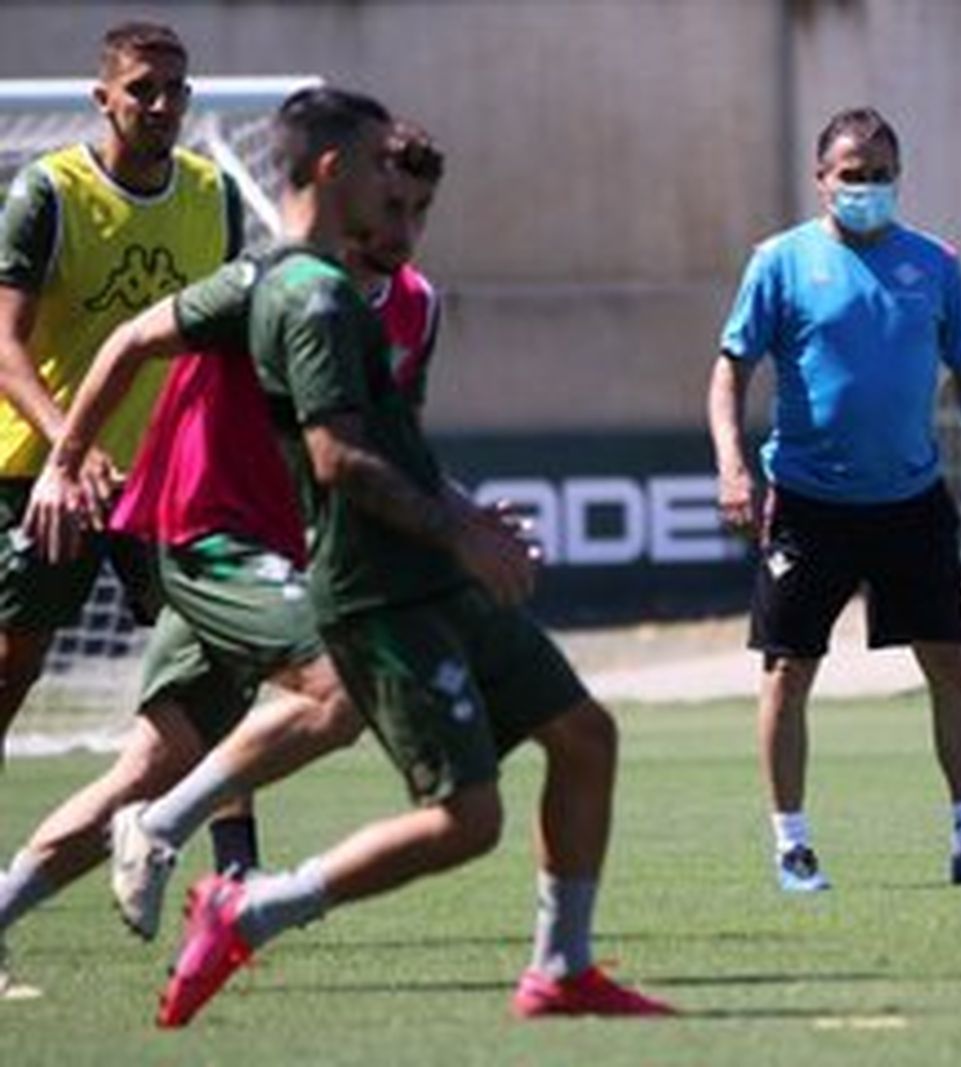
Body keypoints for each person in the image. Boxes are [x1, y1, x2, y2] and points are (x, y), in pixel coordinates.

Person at [44, 85, 671, 1027]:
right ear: (338, 170)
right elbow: (336, 456)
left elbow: (394, 440)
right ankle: (248, 902)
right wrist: (458, 530)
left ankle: (560, 969)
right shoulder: (302, 292)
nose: (396, 193)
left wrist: (462, 516)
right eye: (383, 169)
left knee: (585, 736)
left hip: (432, 569)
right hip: (374, 587)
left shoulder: (383, 297)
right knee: (465, 818)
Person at [0, 121, 450, 988]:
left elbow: (394, 450)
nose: (403, 226)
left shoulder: (415, 307)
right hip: (207, 537)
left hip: (282, 551)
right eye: (389, 202)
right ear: (347, 186)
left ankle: (32, 887)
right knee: (340, 681)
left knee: (146, 767)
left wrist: (457, 515)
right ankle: (176, 833)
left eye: (421, 209)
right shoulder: (268, 280)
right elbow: (128, 342)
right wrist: (64, 461)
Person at [708, 106, 961, 893]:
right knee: (788, 671)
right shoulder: (779, 262)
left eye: (881, 174)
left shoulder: (934, 263)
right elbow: (730, 369)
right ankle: (792, 847)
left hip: (910, 501)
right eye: (852, 174)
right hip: (808, 503)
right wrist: (732, 465)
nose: (867, 187)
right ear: (822, 179)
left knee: (952, 663)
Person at [0, 20, 250, 993]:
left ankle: (234, 885)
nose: (162, 104)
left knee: (228, 663)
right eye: (143, 88)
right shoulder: (49, 193)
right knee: (13, 668)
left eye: (175, 88)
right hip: (44, 476)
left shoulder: (213, 196)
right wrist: (74, 449)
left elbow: (223, 342)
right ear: (102, 96)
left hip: (169, 480)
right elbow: (6, 345)